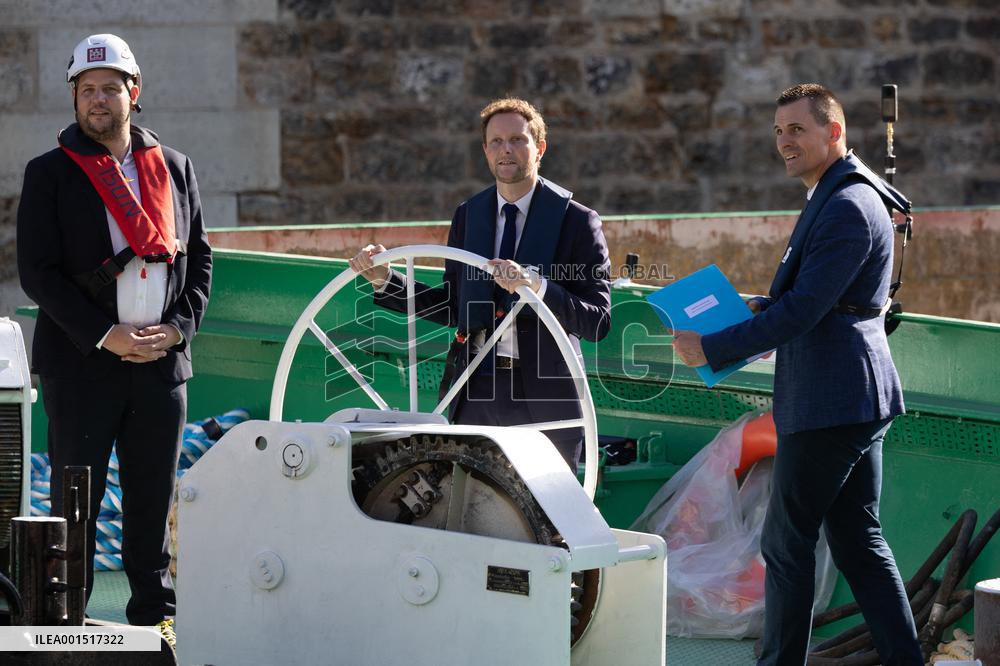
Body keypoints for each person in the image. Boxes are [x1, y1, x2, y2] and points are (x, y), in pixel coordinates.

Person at [671, 84, 922, 665]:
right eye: (778, 131)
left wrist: (712, 345)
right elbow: (814, 298)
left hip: (831, 400)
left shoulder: (845, 205)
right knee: (859, 544)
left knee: (786, 544)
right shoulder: (838, 196)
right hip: (851, 395)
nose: (785, 141)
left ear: (834, 133)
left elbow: (805, 311)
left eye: (797, 130)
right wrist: (758, 307)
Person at [16, 34, 212, 641]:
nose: (98, 100)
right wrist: (107, 335)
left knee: (153, 497)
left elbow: (200, 260)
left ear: (135, 92)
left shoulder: (175, 166)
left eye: (109, 88)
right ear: (75, 97)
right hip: (82, 365)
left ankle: (154, 620)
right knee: (75, 496)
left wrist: (176, 330)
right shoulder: (48, 173)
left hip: (159, 366)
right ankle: (64, 622)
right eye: (87, 90)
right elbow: (38, 273)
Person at [350, 97, 611, 469]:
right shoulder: (469, 216)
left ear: (540, 148)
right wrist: (385, 279)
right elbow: (455, 307)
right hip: (474, 391)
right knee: (469, 508)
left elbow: (597, 320)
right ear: (485, 151)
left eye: (518, 140)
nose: (507, 150)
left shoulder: (577, 221)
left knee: (545, 521)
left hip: (545, 400)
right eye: (496, 142)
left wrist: (536, 285)